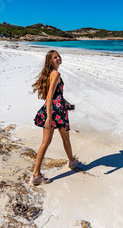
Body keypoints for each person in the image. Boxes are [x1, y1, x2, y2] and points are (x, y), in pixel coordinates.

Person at [30, 50, 79, 185]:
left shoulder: (51, 74)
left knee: (55, 140)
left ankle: (72, 162)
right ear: (50, 61)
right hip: (55, 112)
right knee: (59, 140)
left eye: (58, 56)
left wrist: (67, 103)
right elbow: (50, 96)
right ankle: (36, 175)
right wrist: (49, 117)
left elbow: (57, 95)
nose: (58, 58)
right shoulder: (56, 74)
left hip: (57, 109)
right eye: (55, 57)